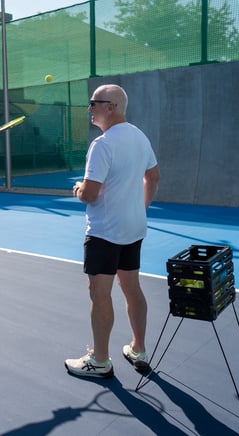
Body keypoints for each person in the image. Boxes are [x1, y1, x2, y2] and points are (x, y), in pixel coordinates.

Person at [64, 84, 160, 379]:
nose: (90, 107)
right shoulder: (139, 136)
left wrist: (78, 189)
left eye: (96, 102)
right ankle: (139, 349)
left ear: (112, 107)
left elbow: (90, 194)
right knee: (132, 289)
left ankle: (100, 360)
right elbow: (153, 177)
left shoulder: (102, 144)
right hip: (133, 229)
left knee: (99, 294)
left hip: (105, 233)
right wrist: (139, 209)